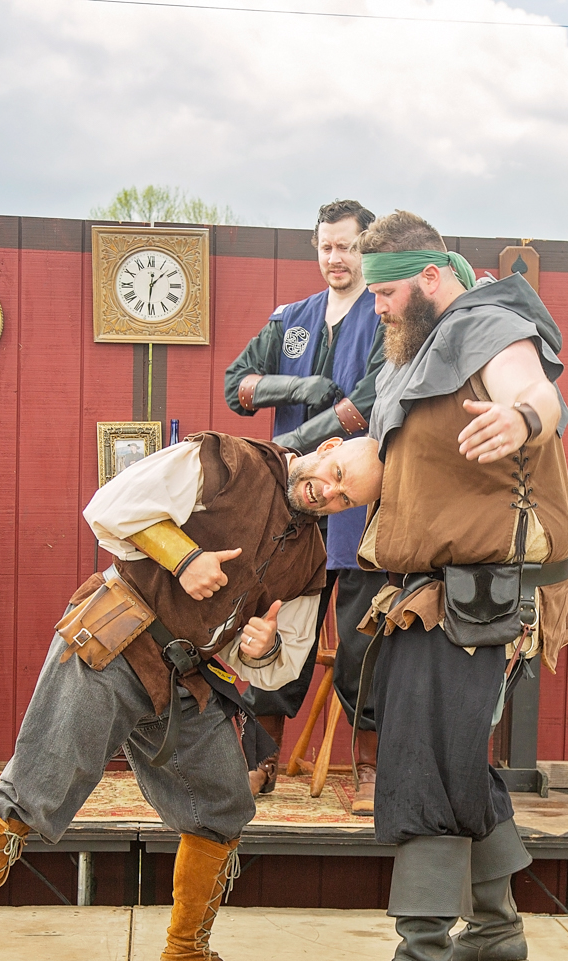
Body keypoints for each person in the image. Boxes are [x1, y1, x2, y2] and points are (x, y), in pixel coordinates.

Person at [0, 429, 382, 961]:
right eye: (336, 476)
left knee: (222, 803)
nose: (329, 494)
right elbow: (111, 506)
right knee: (36, 789)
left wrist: (261, 648)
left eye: (345, 500)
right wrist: (184, 558)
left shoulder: (309, 560)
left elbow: (280, 661)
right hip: (114, 638)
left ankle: (186, 950)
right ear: (329, 447)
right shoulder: (227, 460)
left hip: (184, 674)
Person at [344, 210, 568, 961]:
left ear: (430, 277)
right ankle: (496, 931)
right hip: (428, 587)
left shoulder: (487, 325)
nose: (376, 305)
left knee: (423, 760)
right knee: (451, 755)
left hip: (482, 592)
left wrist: (522, 418)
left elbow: (534, 390)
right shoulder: (411, 353)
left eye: (386, 291)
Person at [225, 199, 389, 808]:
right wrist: (297, 385)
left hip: (356, 502)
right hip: (292, 509)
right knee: (273, 624)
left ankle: (368, 768)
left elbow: (366, 404)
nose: (335, 258)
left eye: (347, 246)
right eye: (326, 246)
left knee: (361, 643)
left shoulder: (386, 314)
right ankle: (259, 760)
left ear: (367, 247)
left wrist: (285, 448)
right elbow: (237, 386)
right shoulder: (291, 318)